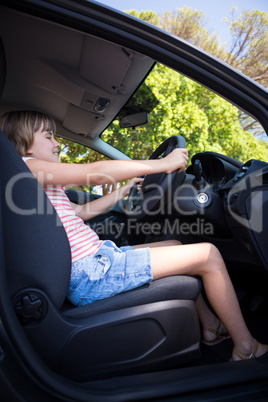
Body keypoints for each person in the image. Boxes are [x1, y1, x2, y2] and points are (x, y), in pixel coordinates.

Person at [1, 110, 267, 362]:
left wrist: (125, 190)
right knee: (209, 254)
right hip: (93, 272)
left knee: (176, 244)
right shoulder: (28, 168)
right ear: (24, 144)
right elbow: (89, 173)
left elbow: (81, 211)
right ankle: (246, 348)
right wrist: (163, 164)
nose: (57, 143)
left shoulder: (40, 184)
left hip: (98, 263)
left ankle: (210, 327)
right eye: (48, 136)